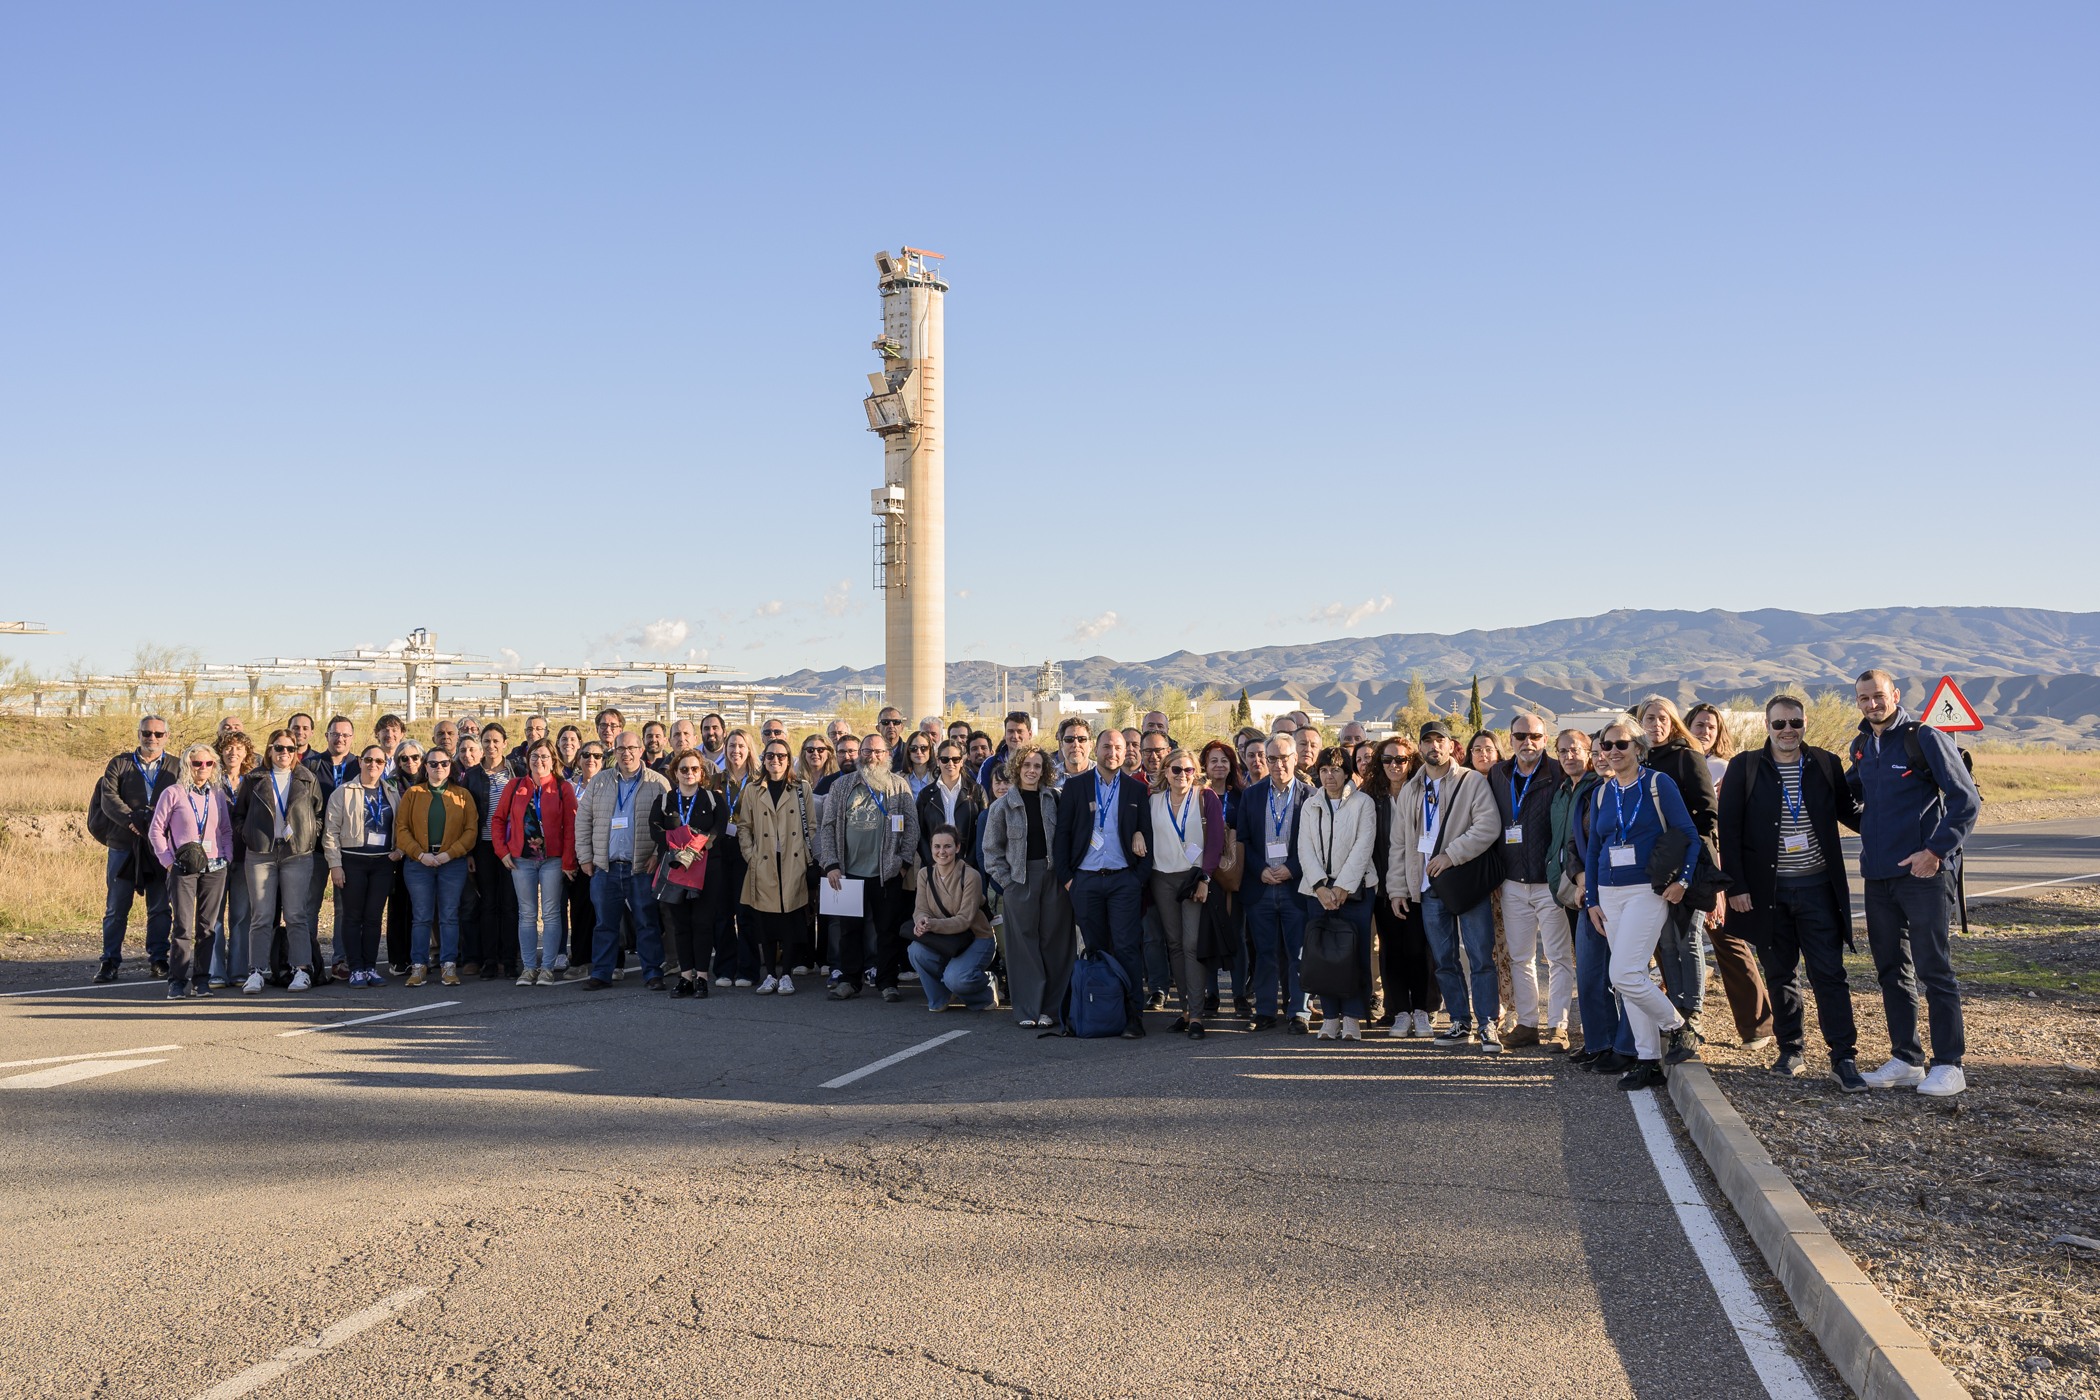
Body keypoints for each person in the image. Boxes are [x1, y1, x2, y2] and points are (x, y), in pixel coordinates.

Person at [1719, 695, 1867, 1087]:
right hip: (1768, 893)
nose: (1788, 730)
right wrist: (1736, 887)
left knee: (1829, 975)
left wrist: (1899, 827)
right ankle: (1791, 1049)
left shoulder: (1823, 764)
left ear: (1805, 724)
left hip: (1819, 889)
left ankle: (1843, 1058)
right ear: (1767, 725)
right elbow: (1728, 831)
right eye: (1780, 723)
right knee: (1781, 974)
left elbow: (1851, 813)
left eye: (1795, 723)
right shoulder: (1745, 766)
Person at [1849, 669, 1981, 1097]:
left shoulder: (1923, 737)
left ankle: (1949, 1064)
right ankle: (1907, 1059)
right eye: (1864, 698)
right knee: (1891, 971)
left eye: (1878, 696)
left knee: (1934, 970)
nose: (1872, 704)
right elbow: (1846, 798)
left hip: (1923, 876)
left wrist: (1934, 851)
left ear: (1896, 695)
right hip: (1878, 877)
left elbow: (1965, 801)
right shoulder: (1862, 747)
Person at [1583, 719, 1704, 1089]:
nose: (1614, 752)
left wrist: (1682, 882)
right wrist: (1591, 898)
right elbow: (1593, 850)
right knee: (1630, 978)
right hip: (1608, 893)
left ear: (1639, 747)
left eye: (1622, 744)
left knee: (1624, 973)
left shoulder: (1657, 784)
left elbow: (1690, 836)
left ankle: (1679, 1027)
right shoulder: (1602, 793)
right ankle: (1648, 1059)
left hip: (1646, 892)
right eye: (1607, 746)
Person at [1388, 722, 1504, 1051]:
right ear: (1419, 748)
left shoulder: (1470, 782)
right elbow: (1399, 845)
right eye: (1427, 741)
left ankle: (1487, 1024)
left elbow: (1488, 826)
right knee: (1444, 960)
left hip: (1464, 884)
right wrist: (1397, 888)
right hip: (1426, 888)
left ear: (1451, 745)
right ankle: (1459, 1022)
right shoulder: (1411, 789)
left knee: (1481, 957)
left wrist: (1451, 855)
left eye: (1440, 740)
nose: (1434, 746)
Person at [1682, 699, 1776, 1050]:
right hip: (1677, 864)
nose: (1704, 731)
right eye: (1698, 724)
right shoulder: (1675, 763)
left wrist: (1722, 879)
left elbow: (1729, 825)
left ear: (1719, 732)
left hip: (1714, 865)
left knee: (1727, 940)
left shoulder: (1724, 769)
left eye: (1710, 726)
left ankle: (1758, 1026)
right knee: (1674, 942)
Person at [1631, 696, 1724, 1029]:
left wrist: (1687, 860)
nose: (1655, 725)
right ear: (1638, 723)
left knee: (1689, 938)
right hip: (1651, 866)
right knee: (1666, 939)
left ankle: (1693, 1011)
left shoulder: (1687, 757)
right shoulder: (1636, 760)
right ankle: (1674, 1009)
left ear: (1673, 724)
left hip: (1688, 864)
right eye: (1649, 718)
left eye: (1662, 719)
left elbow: (1708, 814)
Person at [1055, 728, 1154, 1037]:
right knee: (1096, 950)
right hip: (1085, 882)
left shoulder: (1137, 791)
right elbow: (1063, 835)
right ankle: (1099, 1011)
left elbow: (1146, 835)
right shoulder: (1075, 787)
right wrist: (1068, 879)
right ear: (1095, 751)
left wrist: (1138, 879)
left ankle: (1133, 1016)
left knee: (1127, 949)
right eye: (1107, 746)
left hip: (1123, 880)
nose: (1113, 752)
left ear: (1125, 753)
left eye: (1118, 747)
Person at [1490, 712, 1573, 1049]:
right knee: (1519, 957)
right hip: (1512, 883)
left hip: (1549, 883)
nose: (1528, 743)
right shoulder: (1498, 773)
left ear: (1545, 739)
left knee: (1557, 957)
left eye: (1535, 737)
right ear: (1510, 739)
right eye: (1521, 736)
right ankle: (1526, 1024)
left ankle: (1558, 1026)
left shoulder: (1558, 773)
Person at [818, 733, 919, 1001]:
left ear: (888, 755)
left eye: (877, 752)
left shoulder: (899, 787)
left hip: (886, 873)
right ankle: (850, 981)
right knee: (849, 931)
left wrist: (903, 864)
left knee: (887, 931)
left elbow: (911, 828)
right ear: (859, 754)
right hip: (848, 873)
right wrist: (831, 864)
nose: (871, 756)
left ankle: (887, 982)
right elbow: (827, 828)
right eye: (866, 751)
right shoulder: (841, 787)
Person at [982, 743, 1072, 1029]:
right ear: (1016, 769)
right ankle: (1027, 1010)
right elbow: (991, 851)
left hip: (1053, 879)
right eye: (1026, 766)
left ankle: (1052, 1009)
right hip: (1020, 881)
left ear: (1045, 770)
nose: (1032, 771)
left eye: (1037, 766)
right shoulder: (1002, 806)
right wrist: (1009, 884)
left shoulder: (1055, 800)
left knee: (1055, 945)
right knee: (1023, 948)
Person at [575, 731, 671, 990]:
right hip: (605, 867)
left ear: (641, 750)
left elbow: (670, 825)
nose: (626, 753)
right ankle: (602, 973)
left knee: (647, 922)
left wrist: (656, 855)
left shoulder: (658, 783)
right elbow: (583, 821)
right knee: (605, 924)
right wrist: (585, 858)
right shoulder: (599, 782)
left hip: (641, 866)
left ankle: (652, 973)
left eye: (631, 748)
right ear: (613, 752)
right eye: (620, 749)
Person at [233, 728, 327, 992]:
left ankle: (301, 970)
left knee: (296, 914)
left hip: (297, 853)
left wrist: (310, 834)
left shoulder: (307, 778)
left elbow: (318, 813)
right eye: (278, 747)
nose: (283, 753)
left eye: (289, 748)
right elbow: (238, 814)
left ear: (296, 751)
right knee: (261, 915)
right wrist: (248, 834)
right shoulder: (254, 779)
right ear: (270, 750)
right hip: (261, 853)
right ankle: (257, 971)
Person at [92, 715, 181, 983]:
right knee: (116, 907)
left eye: (157, 733)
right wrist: (133, 821)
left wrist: (156, 825)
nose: (151, 738)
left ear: (167, 736)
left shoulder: (177, 766)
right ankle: (109, 960)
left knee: (160, 907)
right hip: (123, 845)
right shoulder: (120, 763)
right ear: (138, 733)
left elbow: (183, 799)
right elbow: (108, 799)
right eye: (146, 732)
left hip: (160, 847)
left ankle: (158, 959)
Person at [1298, 745, 1378, 1041]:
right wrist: (1320, 886)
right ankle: (1330, 1018)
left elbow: (1363, 845)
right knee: (1323, 955)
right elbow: (1303, 847)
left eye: (1335, 770)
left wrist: (1343, 886)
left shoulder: (1363, 803)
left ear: (1347, 773)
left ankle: (1354, 1018)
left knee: (1355, 953)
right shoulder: (1311, 804)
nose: (1329, 776)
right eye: (1323, 771)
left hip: (1356, 891)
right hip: (1318, 893)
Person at [1235, 733, 1311, 1033]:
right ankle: (1265, 1011)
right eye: (1272, 758)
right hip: (1261, 886)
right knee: (1265, 955)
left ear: (1295, 758)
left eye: (1283, 757)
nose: (1278, 764)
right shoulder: (1251, 795)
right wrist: (1261, 869)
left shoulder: (1311, 796)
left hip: (1295, 886)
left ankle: (1299, 1013)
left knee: (1298, 954)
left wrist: (1291, 868)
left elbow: (1314, 843)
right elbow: (1243, 839)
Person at [1150, 746, 1225, 1039]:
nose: (1183, 775)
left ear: (1196, 772)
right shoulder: (1154, 800)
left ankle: (1196, 1015)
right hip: (1162, 878)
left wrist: (1205, 878)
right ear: (1166, 771)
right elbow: (1142, 828)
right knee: (1175, 945)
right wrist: (1139, 834)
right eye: (1177, 769)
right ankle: (1183, 1009)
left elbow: (1216, 841)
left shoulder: (1206, 798)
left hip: (1194, 878)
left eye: (1189, 770)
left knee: (1192, 944)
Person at [1365, 737, 1437, 1035]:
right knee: (1391, 952)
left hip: (1419, 884)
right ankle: (1399, 1012)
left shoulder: (1425, 794)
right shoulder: (1370, 799)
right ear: (1379, 764)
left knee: (1419, 950)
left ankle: (1423, 1009)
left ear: (1412, 761)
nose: (1395, 765)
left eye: (1402, 759)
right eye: (1387, 759)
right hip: (1383, 888)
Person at [148, 743, 233, 999]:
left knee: (208, 927)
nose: (203, 768)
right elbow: (156, 830)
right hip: (183, 868)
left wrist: (226, 856)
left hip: (215, 867)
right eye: (197, 763)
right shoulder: (173, 793)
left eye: (208, 763)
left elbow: (226, 830)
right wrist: (168, 861)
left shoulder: (217, 794)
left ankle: (201, 980)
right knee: (183, 927)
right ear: (188, 765)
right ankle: (176, 981)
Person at [1546, 730, 1611, 1064]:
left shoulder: (1604, 788)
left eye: (1577, 750)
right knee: (1588, 970)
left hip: (1618, 891)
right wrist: (1580, 881)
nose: (1569, 756)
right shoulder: (1569, 793)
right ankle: (1597, 1040)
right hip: (1579, 890)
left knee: (1612, 971)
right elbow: (1571, 843)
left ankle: (1615, 1043)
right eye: (1562, 751)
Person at [737, 738, 819, 995]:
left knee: (792, 921)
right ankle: (770, 974)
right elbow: (744, 827)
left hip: (793, 863)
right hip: (763, 863)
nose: (776, 760)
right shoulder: (752, 789)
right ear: (763, 758)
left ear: (789, 758)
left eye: (781, 756)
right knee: (766, 922)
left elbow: (811, 828)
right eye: (770, 755)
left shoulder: (800, 787)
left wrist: (808, 860)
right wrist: (751, 855)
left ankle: (787, 976)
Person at [494, 738, 575, 986]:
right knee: (526, 914)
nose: (538, 761)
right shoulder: (514, 785)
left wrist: (569, 862)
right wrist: (502, 852)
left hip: (553, 860)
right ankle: (529, 968)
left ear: (553, 760)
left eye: (544, 757)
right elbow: (498, 820)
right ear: (527, 760)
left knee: (551, 914)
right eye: (534, 757)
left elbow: (572, 827)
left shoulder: (563, 788)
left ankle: (547, 968)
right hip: (521, 860)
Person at [396, 746, 477, 987]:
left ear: (450, 766)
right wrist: (420, 855)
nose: (438, 767)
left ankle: (448, 966)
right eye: (433, 763)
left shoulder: (463, 795)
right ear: (425, 766)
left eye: (443, 763)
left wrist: (449, 854)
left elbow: (471, 831)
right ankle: (418, 966)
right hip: (419, 863)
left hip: (451, 864)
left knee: (449, 916)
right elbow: (401, 829)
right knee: (421, 917)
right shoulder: (413, 794)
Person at [651, 747, 727, 998]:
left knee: (702, 923)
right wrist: (679, 844)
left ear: (701, 772)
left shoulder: (713, 799)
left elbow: (719, 828)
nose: (689, 773)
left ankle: (702, 978)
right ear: (675, 772)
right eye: (683, 769)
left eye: (695, 768)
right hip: (676, 868)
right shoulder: (665, 800)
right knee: (681, 925)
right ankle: (685, 977)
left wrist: (696, 846)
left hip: (707, 867)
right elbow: (655, 830)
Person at [322, 744, 400, 988]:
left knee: (374, 918)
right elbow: (330, 832)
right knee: (352, 916)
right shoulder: (343, 792)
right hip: (352, 860)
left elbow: (401, 826)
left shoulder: (391, 792)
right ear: (360, 762)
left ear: (385, 765)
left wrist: (400, 851)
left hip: (383, 862)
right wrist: (335, 865)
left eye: (378, 761)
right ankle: (354, 968)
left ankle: (370, 967)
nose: (373, 764)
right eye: (368, 759)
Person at [907, 825, 999, 1011]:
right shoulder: (924, 874)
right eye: (937, 846)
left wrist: (931, 924)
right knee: (915, 951)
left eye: (947, 846)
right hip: (945, 939)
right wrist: (922, 920)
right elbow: (921, 909)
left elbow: (964, 919)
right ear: (931, 848)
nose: (942, 852)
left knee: (956, 979)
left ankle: (986, 988)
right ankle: (942, 996)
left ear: (957, 848)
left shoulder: (971, 875)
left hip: (976, 938)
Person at [460, 722, 520, 981]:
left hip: (511, 847)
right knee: (487, 904)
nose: (491, 746)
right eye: (486, 741)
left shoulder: (517, 771)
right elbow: (468, 817)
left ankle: (509, 960)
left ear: (505, 743)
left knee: (510, 904)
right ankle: (489, 960)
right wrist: (470, 853)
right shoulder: (472, 775)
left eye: (496, 741)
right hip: (483, 847)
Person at [1197, 738, 1249, 1020]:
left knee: (1237, 935)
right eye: (1213, 760)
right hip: (1205, 874)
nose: (1219, 765)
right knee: (1208, 934)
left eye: (1224, 760)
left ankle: (1239, 995)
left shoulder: (1243, 796)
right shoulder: (1196, 795)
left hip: (1235, 874)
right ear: (1204, 764)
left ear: (1232, 765)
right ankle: (1212, 995)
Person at [304, 715, 360, 979]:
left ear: (352, 738)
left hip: (347, 849)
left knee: (344, 907)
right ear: (326, 737)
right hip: (314, 847)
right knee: (310, 906)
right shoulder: (310, 765)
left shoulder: (361, 765)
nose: (340, 739)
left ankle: (341, 960)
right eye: (335, 734)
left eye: (345, 735)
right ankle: (308, 960)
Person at [206, 728, 258, 989]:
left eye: (238, 748)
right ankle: (215, 971)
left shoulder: (255, 780)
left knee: (241, 917)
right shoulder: (211, 781)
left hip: (245, 856)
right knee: (213, 917)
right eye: (228, 748)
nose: (233, 752)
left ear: (247, 753)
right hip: (215, 857)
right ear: (220, 752)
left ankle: (238, 971)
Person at [710, 729, 761, 986]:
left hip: (748, 852)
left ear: (749, 749)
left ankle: (749, 970)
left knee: (746, 913)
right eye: (731, 745)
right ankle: (724, 969)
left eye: (741, 745)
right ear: (725, 749)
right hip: (719, 852)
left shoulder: (758, 781)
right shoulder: (714, 779)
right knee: (722, 914)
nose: (736, 750)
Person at [560, 741, 605, 977]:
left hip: (602, 855)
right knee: (578, 909)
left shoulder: (611, 785)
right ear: (578, 760)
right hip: (575, 856)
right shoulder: (567, 786)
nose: (591, 759)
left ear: (604, 760)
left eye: (597, 755)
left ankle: (608, 962)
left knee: (604, 911)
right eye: (586, 754)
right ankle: (579, 960)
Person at [381, 740, 424, 973]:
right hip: (398, 853)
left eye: (415, 757)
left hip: (425, 854)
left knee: (422, 908)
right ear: (397, 762)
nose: (410, 762)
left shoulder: (432, 782)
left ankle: (421, 957)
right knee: (399, 906)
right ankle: (398, 959)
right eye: (404, 758)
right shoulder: (388, 785)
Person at [916, 740, 985, 875]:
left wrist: (969, 861)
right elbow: (918, 831)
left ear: (961, 761)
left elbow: (985, 830)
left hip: (968, 867)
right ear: (938, 761)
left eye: (955, 759)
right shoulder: (925, 795)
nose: (950, 763)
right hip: (935, 867)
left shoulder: (977, 791)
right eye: (945, 759)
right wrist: (932, 862)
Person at [980, 711, 1035, 788]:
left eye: (1020, 731)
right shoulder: (990, 763)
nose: (1015, 736)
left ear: (1030, 734)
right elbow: (983, 797)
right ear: (1005, 735)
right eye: (1011, 731)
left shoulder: (1043, 763)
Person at [900, 731, 936, 798]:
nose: (918, 752)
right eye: (913, 748)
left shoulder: (939, 777)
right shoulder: (898, 779)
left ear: (930, 750)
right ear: (908, 752)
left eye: (924, 748)